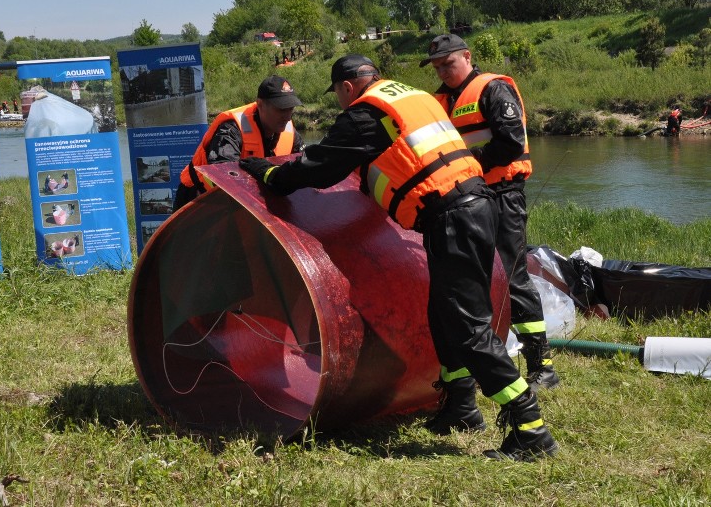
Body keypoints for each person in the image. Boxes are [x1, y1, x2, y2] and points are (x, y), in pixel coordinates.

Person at [240, 54, 558, 461]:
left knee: (467, 327)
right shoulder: (412, 96)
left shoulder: (365, 113)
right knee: (444, 314)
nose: (340, 101)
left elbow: (318, 170)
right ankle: (461, 406)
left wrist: (267, 175)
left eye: (338, 93)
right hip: (472, 206)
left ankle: (529, 427)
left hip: (453, 216)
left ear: (348, 87)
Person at [420, 34, 559, 434]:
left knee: (512, 275)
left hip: (502, 193)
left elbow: (511, 142)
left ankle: (541, 365)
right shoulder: (439, 101)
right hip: (468, 199)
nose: (443, 71)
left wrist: (469, 161)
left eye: (449, 63)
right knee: (471, 285)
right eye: (437, 66)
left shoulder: (494, 89)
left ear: (467, 56)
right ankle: (470, 383)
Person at [173, 75, 305, 210]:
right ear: (260, 104)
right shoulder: (231, 128)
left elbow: (302, 168)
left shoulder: (290, 132)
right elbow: (222, 174)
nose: (288, 116)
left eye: (291, 108)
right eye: (281, 109)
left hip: (248, 202)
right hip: (199, 198)